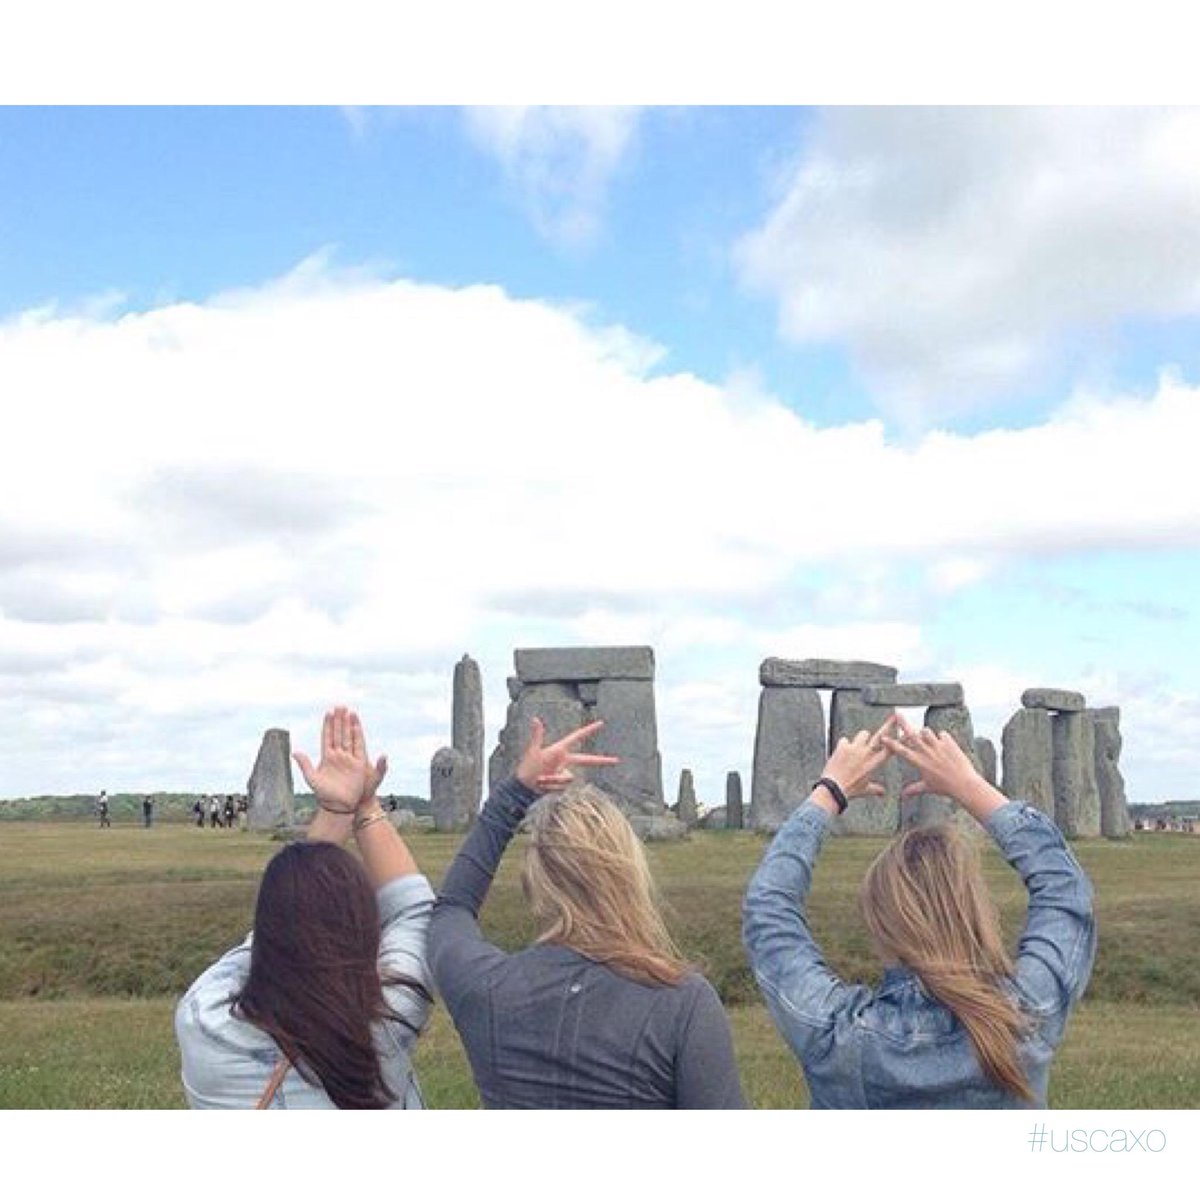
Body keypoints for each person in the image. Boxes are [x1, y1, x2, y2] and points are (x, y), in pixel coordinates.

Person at [743, 713, 1096, 1109]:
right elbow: (1065, 890)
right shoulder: (1027, 1015)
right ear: (976, 908)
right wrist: (971, 787)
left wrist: (828, 792)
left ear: (879, 922)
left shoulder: (836, 1036)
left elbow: (769, 906)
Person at [429, 718, 745, 1109]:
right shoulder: (684, 1003)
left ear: (535, 883)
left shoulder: (484, 989)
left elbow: (450, 910)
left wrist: (514, 794)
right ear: (629, 875)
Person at [175, 707, 434, 1108]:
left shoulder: (203, 1020)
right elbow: (415, 911)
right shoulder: (388, 1023)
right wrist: (363, 806)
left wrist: (334, 811)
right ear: (366, 930)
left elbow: (268, 940)